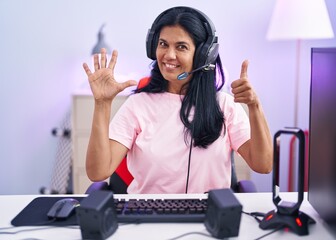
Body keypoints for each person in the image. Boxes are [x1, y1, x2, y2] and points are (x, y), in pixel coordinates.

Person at [82, 6, 273, 194]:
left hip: (211, 216)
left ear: (203, 55)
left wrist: (254, 106)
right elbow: (98, 172)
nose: (169, 55)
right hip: (148, 215)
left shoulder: (224, 105)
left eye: (181, 47)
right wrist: (102, 104)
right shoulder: (138, 105)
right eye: (163, 44)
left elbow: (263, 165)